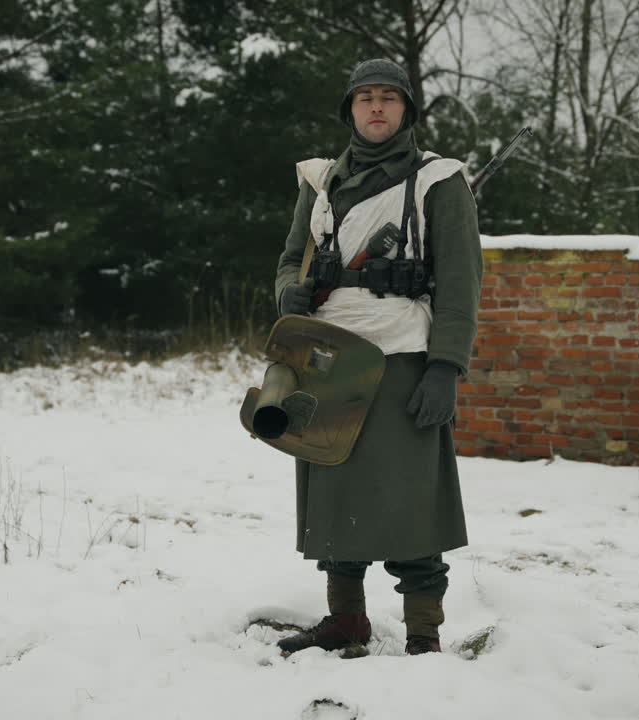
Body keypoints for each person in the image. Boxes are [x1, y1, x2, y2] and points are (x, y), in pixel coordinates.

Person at [273, 58, 482, 656]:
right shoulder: (321, 183)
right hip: (328, 357)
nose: (376, 108)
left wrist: (446, 367)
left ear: (406, 109)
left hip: (402, 358)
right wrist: (289, 289)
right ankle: (346, 620)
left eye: (388, 98)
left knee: (411, 496)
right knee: (334, 491)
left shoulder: (440, 182)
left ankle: (423, 633)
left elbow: (462, 283)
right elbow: (292, 258)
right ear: (350, 110)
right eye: (364, 97)